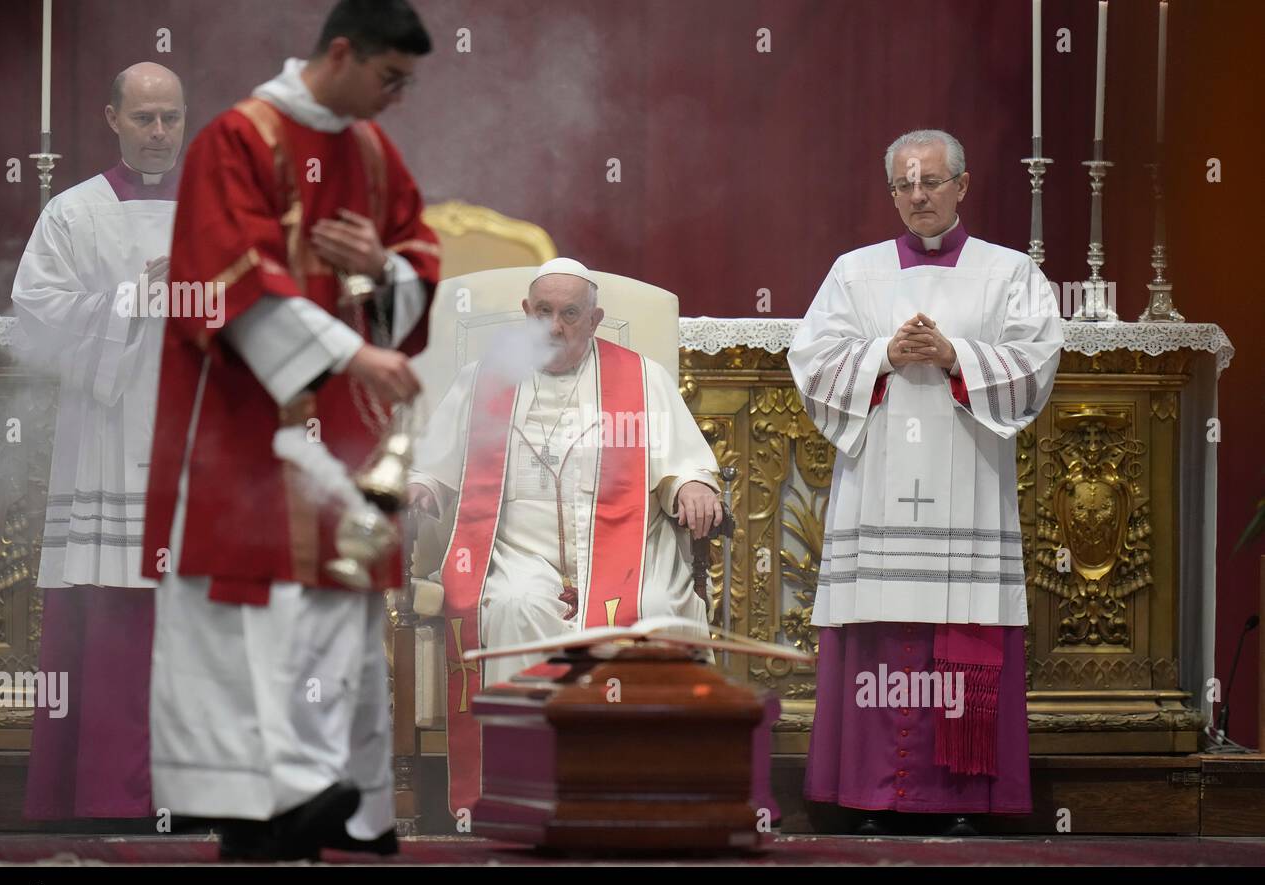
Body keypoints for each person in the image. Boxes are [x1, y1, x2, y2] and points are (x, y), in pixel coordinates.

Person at [140, 0, 439, 859]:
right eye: (388, 79)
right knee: (249, 616)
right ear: (340, 54)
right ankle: (259, 811)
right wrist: (353, 355)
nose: (394, 101)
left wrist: (383, 271)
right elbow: (224, 275)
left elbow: (417, 252)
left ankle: (335, 804)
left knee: (335, 611)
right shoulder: (235, 140)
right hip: (240, 427)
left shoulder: (373, 154)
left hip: (342, 434)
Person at [788, 129, 1063, 835]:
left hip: (968, 481)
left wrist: (955, 355)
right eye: (904, 185)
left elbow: (1036, 360)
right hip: (878, 482)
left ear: (962, 186)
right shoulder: (855, 272)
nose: (918, 196)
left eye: (932, 182)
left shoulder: (1010, 273)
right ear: (892, 194)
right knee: (880, 631)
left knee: (961, 623)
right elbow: (812, 358)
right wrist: (882, 354)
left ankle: (962, 799)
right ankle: (870, 796)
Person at [409, 257, 723, 813]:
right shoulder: (482, 380)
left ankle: (634, 795)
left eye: (571, 314)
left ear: (595, 318)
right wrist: (422, 489)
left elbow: (682, 463)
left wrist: (693, 485)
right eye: (545, 313)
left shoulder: (640, 378)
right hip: (516, 553)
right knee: (510, 606)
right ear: (526, 313)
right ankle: (523, 793)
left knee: (649, 615)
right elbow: (433, 465)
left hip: (632, 554)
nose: (555, 327)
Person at [12, 62, 186, 822]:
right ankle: (106, 799)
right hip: (109, 438)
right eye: (143, 117)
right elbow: (36, 317)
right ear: (112, 118)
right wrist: (132, 297)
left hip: (197, 444)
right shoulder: (73, 212)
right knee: (114, 626)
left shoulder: (223, 214)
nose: (157, 133)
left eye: (170, 118)